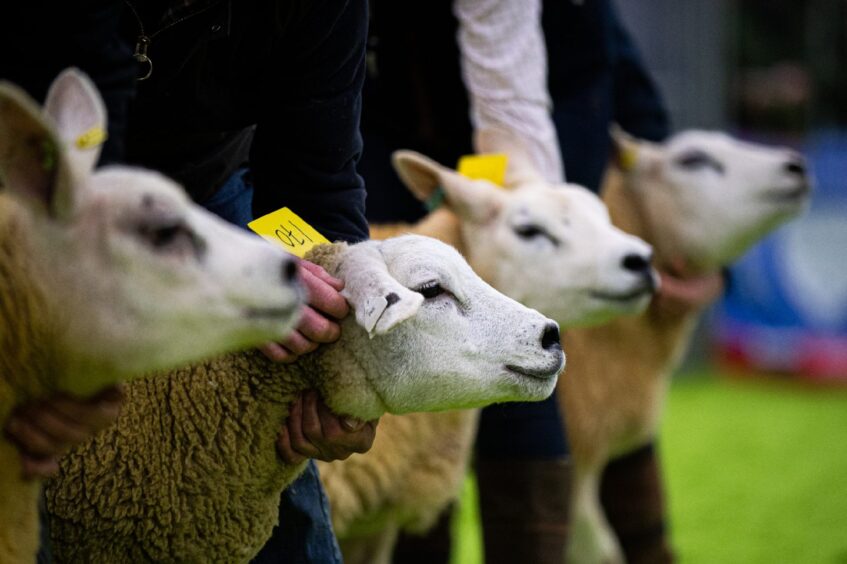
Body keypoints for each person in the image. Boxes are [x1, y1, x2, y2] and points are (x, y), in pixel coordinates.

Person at [1, 1, 376, 562]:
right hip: (34, 187)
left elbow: (314, 185)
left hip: (204, 206)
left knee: (262, 455)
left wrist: (336, 332)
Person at [361, 1, 721, 563]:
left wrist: (525, 194)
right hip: (382, 128)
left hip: (542, 122)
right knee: (417, 339)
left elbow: (538, 76)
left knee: (523, 343)